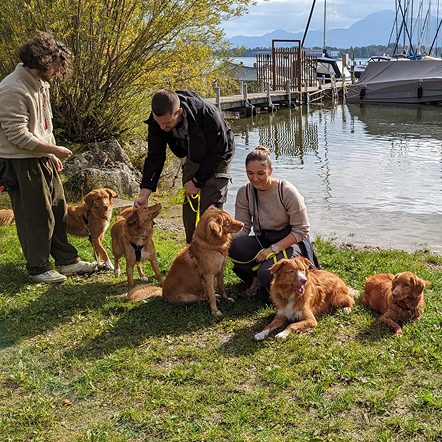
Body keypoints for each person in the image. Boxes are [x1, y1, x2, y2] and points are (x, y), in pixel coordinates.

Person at [0, 32, 97, 283]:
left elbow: (46, 124)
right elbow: (16, 135)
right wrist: (53, 150)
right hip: (22, 161)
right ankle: (39, 267)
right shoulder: (12, 88)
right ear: (42, 61)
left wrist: (50, 151)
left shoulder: (41, 84)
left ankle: (67, 261)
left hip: (42, 157)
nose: (58, 71)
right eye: (56, 65)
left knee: (57, 209)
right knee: (36, 215)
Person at [134, 89, 235, 243]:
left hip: (220, 153)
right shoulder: (157, 120)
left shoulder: (206, 113)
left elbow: (219, 150)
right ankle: (192, 247)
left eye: (167, 123)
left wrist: (197, 182)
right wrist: (144, 194)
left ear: (179, 112)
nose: (161, 127)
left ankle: (214, 252)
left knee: (210, 208)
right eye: (158, 122)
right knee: (189, 200)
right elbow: (155, 157)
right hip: (192, 154)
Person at [229, 145, 319, 295]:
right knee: (233, 247)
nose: (255, 178)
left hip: (291, 241)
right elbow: (243, 228)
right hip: (263, 239)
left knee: (267, 274)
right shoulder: (244, 192)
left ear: (270, 171)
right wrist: (220, 241)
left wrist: (273, 249)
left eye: (260, 173)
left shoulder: (286, 191)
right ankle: (257, 278)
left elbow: (302, 230)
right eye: (250, 173)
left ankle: (262, 278)